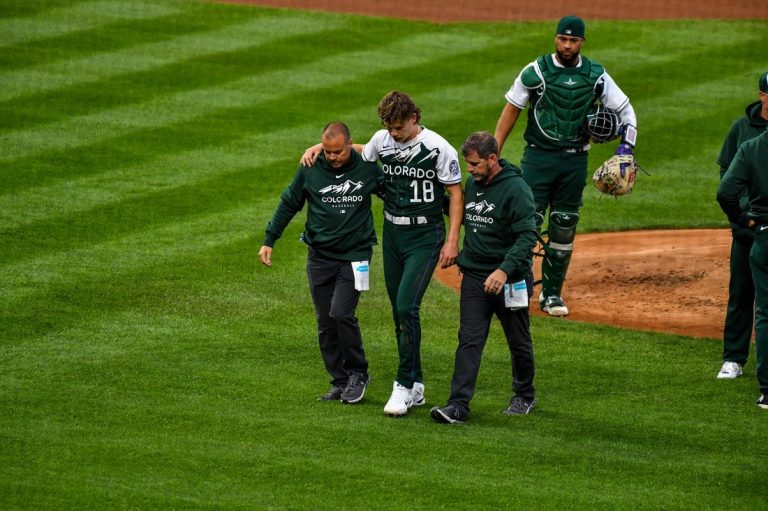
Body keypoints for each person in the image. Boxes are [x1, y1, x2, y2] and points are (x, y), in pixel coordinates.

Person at [302, 91, 464, 416]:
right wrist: (321, 147)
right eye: (389, 127)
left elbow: (456, 193)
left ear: (414, 118)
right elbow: (360, 150)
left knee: (406, 306)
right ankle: (416, 384)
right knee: (398, 312)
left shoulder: (437, 147)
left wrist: (451, 240)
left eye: (399, 126)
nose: (394, 133)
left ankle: (402, 386)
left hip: (424, 234)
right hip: (392, 233)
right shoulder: (382, 140)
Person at [494, 15, 638, 317]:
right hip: (538, 157)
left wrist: (627, 147)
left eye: (573, 40)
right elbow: (512, 110)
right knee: (526, 222)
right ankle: (515, 287)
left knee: (564, 224)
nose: (567, 45)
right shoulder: (536, 71)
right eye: (563, 39)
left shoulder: (596, 75)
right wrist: (494, 152)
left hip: (575, 159)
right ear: (555, 38)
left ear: (582, 42)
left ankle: (551, 294)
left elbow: (626, 111)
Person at [260, 122, 381, 404]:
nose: (333, 157)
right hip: (320, 257)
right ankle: (340, 381)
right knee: (326, 321)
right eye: (327, 151)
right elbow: (289, 203)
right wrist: (269, 239)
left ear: (350, 145)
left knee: (341, 313)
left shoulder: (367, 165)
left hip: (355, 256)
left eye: (338, 151)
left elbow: (392, 179)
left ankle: (358, 373)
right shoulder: (311, 168)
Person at [431, 132, 538, 424]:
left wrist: (503, 270)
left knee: (517, 340)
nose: (470, 169)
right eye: (468, 164)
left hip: (510, 280)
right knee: (469, 340)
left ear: (492, 159)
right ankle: (458, 406)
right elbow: (464, 211)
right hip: (476, 277)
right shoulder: (473, 183)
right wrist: (436, 194)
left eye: (475, 164)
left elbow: (528, 235)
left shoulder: (516, 190)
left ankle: (524, 395)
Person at [715, 72, 768, 380]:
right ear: (762, 95)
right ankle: (734, 358)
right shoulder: (742, 130)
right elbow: (727, 180)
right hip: (748, 227)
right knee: (741, 293)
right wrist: (741, 219)